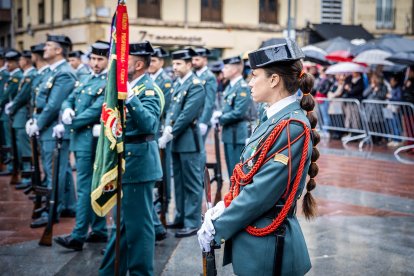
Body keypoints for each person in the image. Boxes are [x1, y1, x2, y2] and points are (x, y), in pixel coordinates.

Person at [197, 39, 320, 275]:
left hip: (269, 245)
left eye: (254, 75)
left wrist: (218, 226)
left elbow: (261, 193)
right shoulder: (273, 118)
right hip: (255, 237)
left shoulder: (291, 125)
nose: (250, 82)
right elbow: (248, 174)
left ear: (274, 80)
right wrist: (224, 206)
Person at [99, 41, 164, 275]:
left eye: (125, 59)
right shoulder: (130, 86)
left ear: (137, 64)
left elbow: (150, 125)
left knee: (140, 227)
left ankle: (140, 272)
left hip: (138, 164)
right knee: (124, 225)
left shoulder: (147, 89)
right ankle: (109, 271)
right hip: (126, 162)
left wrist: (130, 98)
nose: (119, 64)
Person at [55, 42, 110, 251]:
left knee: (86, 187)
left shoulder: (107, 83)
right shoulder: (85, 78)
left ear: (107, 60)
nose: (95, 63)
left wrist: (72, 120)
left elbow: (97, 110)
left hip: (91, 141)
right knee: (91, 187)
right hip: (80, 139)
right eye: (93, 59)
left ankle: (78, 235)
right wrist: (67, 110)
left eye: (100, 59)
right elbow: (68, 99)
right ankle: (98, 230)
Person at [27, 35, 77, 228]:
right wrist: (35, 119)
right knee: (60, 169)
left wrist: (38, 123)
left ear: (58, 50)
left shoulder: (63, 73)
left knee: (52, 171)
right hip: (46, 125)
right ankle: (68, 206)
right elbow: (41, 100)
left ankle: (52, 210)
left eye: (48, 46)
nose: (44, 49)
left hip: (54, 128)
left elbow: (54, 105)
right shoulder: (52, 72)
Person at [158, 48, 205, 238]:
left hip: (188, 141)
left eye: (178, 64)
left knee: (191, 183)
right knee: (178, 181)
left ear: (189, 64)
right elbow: (171, 110)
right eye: (174, 63)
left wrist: (172, 130)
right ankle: (180, 216)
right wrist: (166, 127)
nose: (174, 67)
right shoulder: (179, 84)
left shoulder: (195, 85)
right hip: (176, 140)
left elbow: (187, 114)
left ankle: (192, 222)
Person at [210, 55, 251, 179]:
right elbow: (227, 107)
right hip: (229, 133)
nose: (223, 70)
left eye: (226, 67)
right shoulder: (230, 86)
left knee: (237, 172)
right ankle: (232, 197)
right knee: (230, 171)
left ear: (234, 70)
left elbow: (239, 112)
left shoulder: (242, 87)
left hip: (237, 134)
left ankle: (237, 197)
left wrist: (220, 118)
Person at [148, 46, 172, 242]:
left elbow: (167, 108)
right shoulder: (152, 80)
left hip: (158, 133)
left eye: (154, 61)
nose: (152, 64)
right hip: (153, 133)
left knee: (160, 175)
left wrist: (166, 128)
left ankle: (162, 209)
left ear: (161, 62)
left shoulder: (164, 81)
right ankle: (156, 218)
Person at [6, 50, 37, 189]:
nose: (19, 62)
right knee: (19, 146)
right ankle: (25, 175)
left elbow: (22, 96)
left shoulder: (30, 75)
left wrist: (12, 107)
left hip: (22, 114)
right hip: (19, 114)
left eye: (21, 60)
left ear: (25, 61)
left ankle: (27, 177)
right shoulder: (26, 74)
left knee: (24, 147)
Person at [0, 50, 23, 182]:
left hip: (11, 113)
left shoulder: (17, 76)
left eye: (10, 62)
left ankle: (12, 166)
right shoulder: (11, 76)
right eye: (7, 62)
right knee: (8, 141)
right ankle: (11, 165)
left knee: (11, 142)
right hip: (7, 112)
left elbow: (6, 95)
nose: (7, 65)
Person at [192, 47, 217, 141]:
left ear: (205, 60)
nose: (194, 62)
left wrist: (204, 121)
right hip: (192, 118)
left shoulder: (209, 77)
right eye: (193, 59)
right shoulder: (193, 74)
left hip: (201, 118)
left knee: (199, 150)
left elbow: (209, 101)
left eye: (197, 59)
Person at [0, 48, 11, 174]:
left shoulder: (5, 74)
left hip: (4, 111)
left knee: (6, 139)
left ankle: (8, 164)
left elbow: (4, 94)